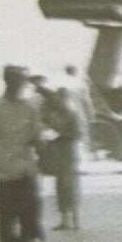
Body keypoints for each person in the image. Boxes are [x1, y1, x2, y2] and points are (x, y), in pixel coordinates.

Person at [0, 65, 46, 242]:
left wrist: (43, 149)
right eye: (17, 81)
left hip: (28, 168)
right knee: (7, 215)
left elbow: (38, 136)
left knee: (31, 210)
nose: (21, 85)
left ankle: (28, 237)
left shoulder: (30, 108)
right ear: (8, 81)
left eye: (23, 82)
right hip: (6, 170)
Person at [41, 87, 84, 231]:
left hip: (69, 152)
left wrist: (60, 134)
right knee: (62, 185)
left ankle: (74, 219)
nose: (59, 101)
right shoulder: (58, 114)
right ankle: (66, 220)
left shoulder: (72, 114)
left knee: (69, 185)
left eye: (61, 98)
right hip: (60, 152)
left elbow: (77, 134)